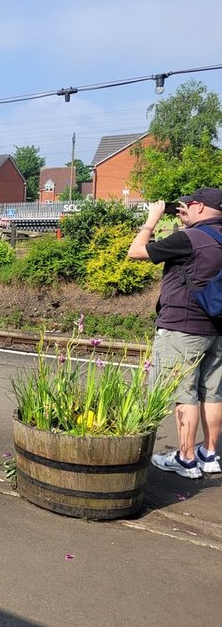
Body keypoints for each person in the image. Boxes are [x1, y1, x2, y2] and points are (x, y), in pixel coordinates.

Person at [127, 187, 222, 478]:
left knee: (185, 394)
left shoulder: (188, 239)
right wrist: (188, 224)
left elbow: (136, 252)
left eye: (189, 204)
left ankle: (186, 459)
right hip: (216, 329)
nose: (185, 208)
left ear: (201, 207)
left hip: (182, 327)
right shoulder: (210, 237)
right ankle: (210, 454)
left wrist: (151, 220)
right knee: (213, 393)